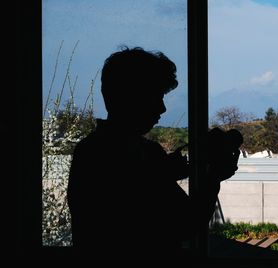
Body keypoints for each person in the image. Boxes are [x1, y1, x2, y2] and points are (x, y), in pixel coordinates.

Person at [67, 47, 240, 262]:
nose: (162, 108)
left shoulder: (91, 152)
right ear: (130, 96)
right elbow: (185, 225)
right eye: (155, 96)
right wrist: (212, 178)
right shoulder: (138, 155)